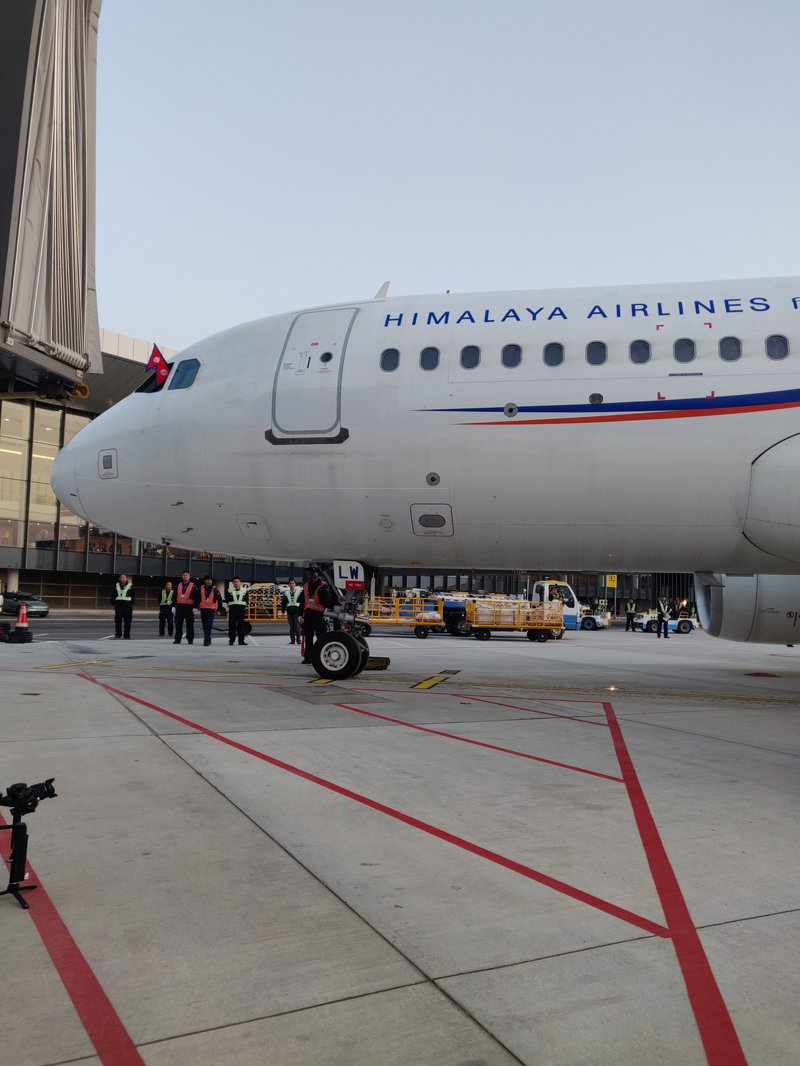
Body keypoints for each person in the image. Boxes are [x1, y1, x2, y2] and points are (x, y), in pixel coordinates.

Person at [299, 567, 332, 664]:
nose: (307, 576)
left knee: (320, 638)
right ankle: (308, 657)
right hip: (308, 615)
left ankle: (320, 657)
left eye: (309, 574)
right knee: (308, 638)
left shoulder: (323, 586)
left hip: (319, 616)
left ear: (315, 575)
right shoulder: (306, 586)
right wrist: (300, 615)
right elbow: (302, 601)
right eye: (307, 574)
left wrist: (326, 614)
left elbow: (327, 601)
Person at [174, 571, 199, 644]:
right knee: (178, 624)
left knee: (190, 624)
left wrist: (195, 607)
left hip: (189, 607)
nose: (185, 576)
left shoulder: (193, 586)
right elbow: (174, 596)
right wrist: (173, 606)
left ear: (189, 576)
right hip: (179, 607)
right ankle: (177, 639)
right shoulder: (177, 585)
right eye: (184, 575)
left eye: (186, 575)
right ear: (182, 576)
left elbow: (196, 597)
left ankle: (190, 640)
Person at [198, 575, 223, 646]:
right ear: (204, 581)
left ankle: (206, 641)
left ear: (212, 581)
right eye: (207, 580)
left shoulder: (215, 589)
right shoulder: (201, 588)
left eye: (210, 580)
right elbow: (197, 597)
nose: (208, 581)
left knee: (208, 625)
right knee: (204, 625)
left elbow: (220, 599)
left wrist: (219, 609)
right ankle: (208, 638)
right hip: (203, 609)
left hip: (211, 610)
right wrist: (197, 606)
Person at [225, 576, 249, 646]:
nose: (236, 583)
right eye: (234, 582)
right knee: (231, 626)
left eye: (237, 582)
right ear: (232, 583)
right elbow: (227, 600)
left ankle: (241, 641)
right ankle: (231, 640)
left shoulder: (245, 591)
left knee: (241, 626)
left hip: (241, 610)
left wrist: (245, 607)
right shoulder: (229, 591)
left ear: (240, 582)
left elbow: (247, 600)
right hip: (232, 610)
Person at [111, 573, 135, 639]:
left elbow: (133, 596)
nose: (123, 579)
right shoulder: (116, 585)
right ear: (119, 579)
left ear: (126, 579)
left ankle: (127, 635)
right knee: (118, 621)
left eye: (124, 577)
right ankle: (118, 635)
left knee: (128, 621)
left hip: (128, 606)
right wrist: (113, 603)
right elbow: (113, 595)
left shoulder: (130, 586)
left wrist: (131, 604)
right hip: (119, 606)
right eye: (122, 577)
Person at [280, 578, 303, 645]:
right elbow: (284, 602)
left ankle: (298, 640)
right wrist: (283, 610)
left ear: (295, 584)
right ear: (288, 585)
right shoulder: (286, 593)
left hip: (297, 611)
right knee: (291, 627)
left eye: (293, 583)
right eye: (290, 583)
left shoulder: (299, 592)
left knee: (297, 627)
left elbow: (302, 601)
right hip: (289, 612)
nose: (292, 584)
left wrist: (303, 611)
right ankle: (292, 641)